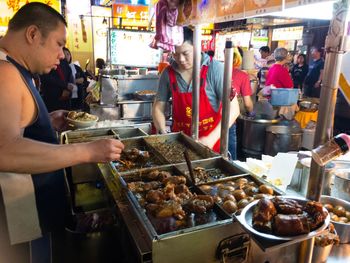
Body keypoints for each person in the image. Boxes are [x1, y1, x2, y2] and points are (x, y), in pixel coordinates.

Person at [0, 3, 124, 263]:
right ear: (33, 34)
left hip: (33, 215)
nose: (61, 54)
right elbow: (5, 150)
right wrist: (88, 151)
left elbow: (18, 128)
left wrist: (46, 120)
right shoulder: (5, 73)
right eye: (58, 43)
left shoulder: (15, 68)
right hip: (21, 220)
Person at [152, 27, 240, 152]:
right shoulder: (168, 73)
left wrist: (210, 139)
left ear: (197, 47)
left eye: (185, 53)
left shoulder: (215, 69)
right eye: (175, 54)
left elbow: (234, 109)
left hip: (211, 145)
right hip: (180, 146)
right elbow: (158, 107)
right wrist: (162, 131)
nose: (181, 59)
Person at [228, 47, 254, 160]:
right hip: (229, 120)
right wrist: (251, 113)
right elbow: (248, 104)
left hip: (211, 120)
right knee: (230, 155)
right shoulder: (242, 75)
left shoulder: (215, 71)